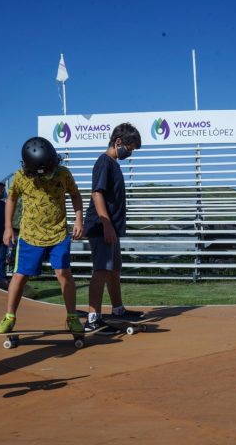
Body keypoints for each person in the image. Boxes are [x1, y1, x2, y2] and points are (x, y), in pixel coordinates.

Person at [0, 137, 84, 334]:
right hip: (30, 235)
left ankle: (72, 317)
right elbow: (12, 199)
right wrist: (8, 227)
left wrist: (79, 220)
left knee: (64, 275)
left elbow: (75, 195)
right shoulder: (20, 177)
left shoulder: (63, 174)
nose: (50, 174)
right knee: (20, 276)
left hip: (58, 233)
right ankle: (9, 317)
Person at [83, 123, 144, 332]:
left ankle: (118, 309)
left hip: (111, 228)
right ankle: (93, 318)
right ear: (119, 142)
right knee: (101, 270)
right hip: (101, 226)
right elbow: (97, 193)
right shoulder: (104, 162)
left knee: (114, 269)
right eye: (130, 148)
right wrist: (106, 224)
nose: (130, 152)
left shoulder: (114, 164)